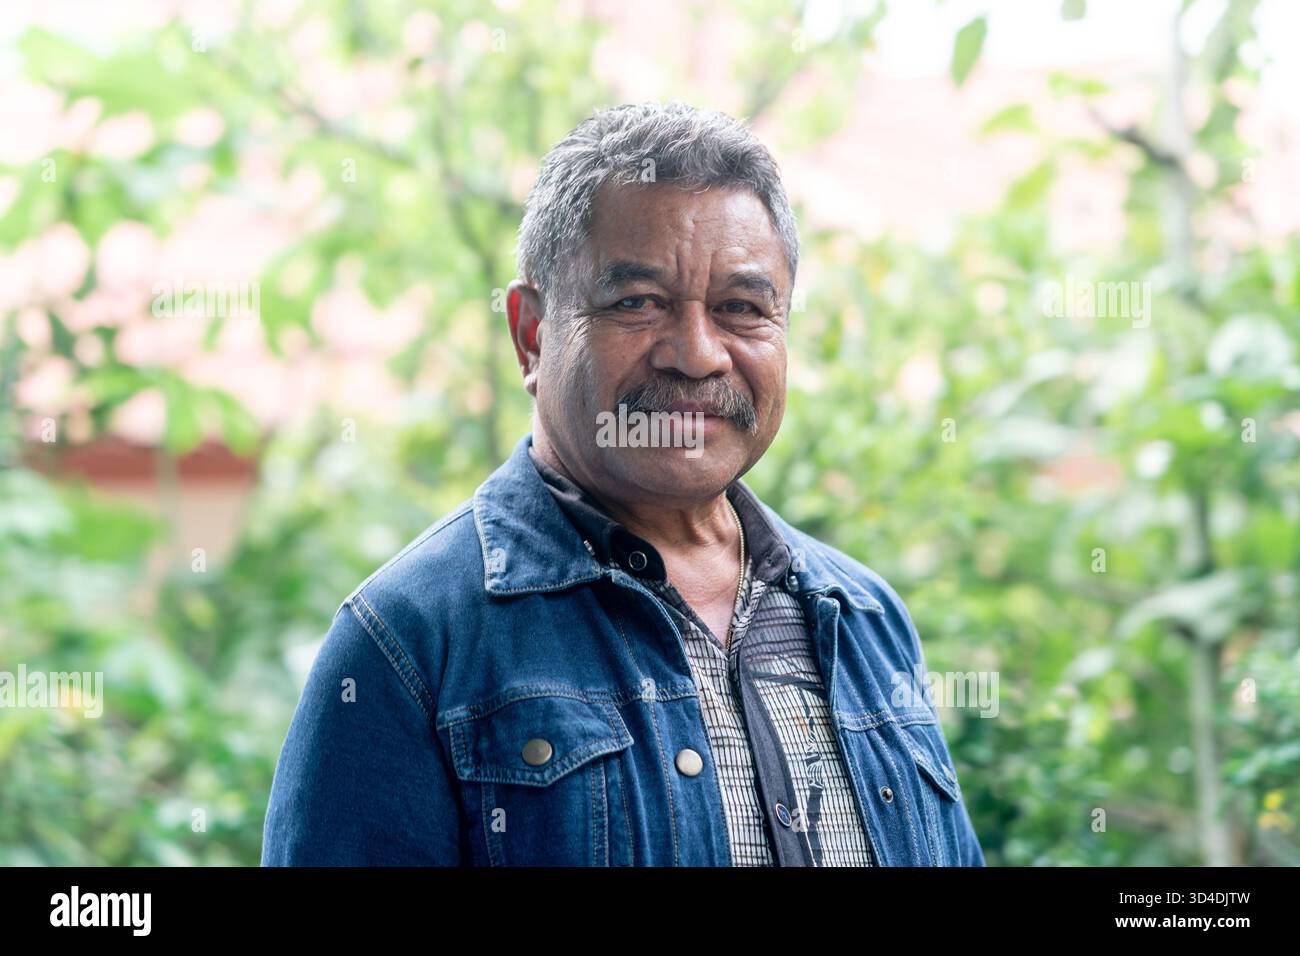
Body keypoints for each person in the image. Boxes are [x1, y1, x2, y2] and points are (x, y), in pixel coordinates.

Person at [262, 101, 985, 866]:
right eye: (637, 303)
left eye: (742, 308)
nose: (698, 354)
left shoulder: (863, 618)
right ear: (532, 335)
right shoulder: (408, 644)